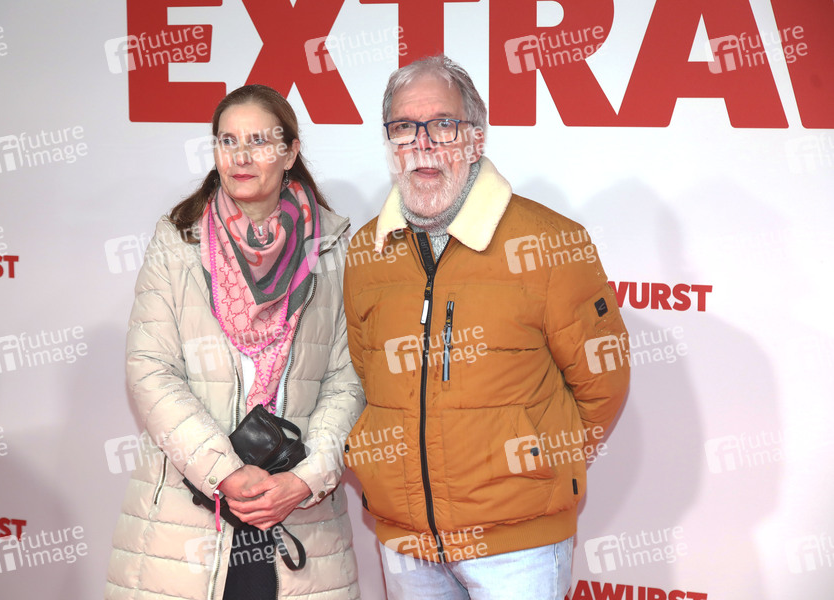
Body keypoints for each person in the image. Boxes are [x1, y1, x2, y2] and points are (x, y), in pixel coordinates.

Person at [342, 55, 631, 599]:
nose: (423, 144)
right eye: (404, 127)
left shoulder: (549, 242)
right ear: (390, 142)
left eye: (443, 125)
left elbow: (603, 382)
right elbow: (366, 374)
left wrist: (540, 465)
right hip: (406, 542)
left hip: (518, 546)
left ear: (476, 138)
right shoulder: (366, 251)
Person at [106, 84, 364, 600]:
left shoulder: (332, 246)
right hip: (189, 513)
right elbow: (151, 370)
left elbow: (348, 379)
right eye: (227, 141)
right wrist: (224, 473)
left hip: (298, 514)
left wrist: (306, 479)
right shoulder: (178, 240)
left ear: (289, 152)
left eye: (259, 141)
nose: (240, 157)